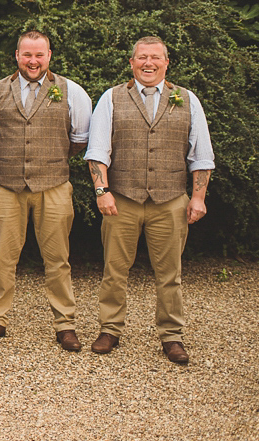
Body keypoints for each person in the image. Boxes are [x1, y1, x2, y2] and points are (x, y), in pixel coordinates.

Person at [85, 36, 214, 364]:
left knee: (170, 272)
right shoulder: (112, 98)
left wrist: (197, 198)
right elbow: (98, 150)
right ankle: (110, 329)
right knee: (115, 269)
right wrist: (102, 191)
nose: (148, 63)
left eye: (155, 58)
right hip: (122, 199)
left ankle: (171, 335)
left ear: (166, 62)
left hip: (170, 200)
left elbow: (201, 155)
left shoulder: (187, 100)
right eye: (142, 57)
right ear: (132, 62)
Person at [0, 31, 92, 351]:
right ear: (16, 55)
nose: (33, 61)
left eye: (39, 55)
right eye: (27, 55)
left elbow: (80, 139)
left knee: (58, 259)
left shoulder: (72, 91)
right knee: (3, 257)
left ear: (49, 56)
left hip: (54, 185)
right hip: (6, 185)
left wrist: (51, 159)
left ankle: (65, 324)